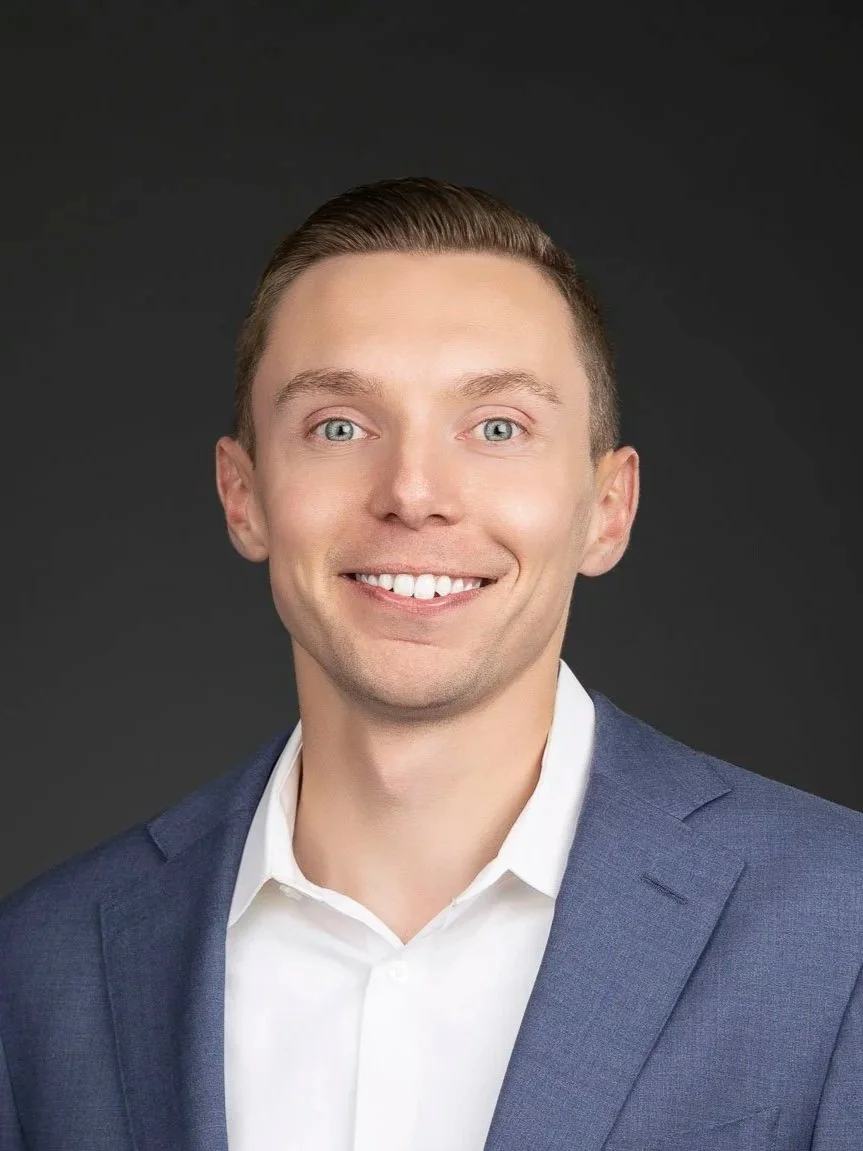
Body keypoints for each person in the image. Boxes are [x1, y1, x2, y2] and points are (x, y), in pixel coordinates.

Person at [1, 177, 861, 1151]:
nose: (412, 492)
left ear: (607, 508)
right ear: (242, 496)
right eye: (339, 426)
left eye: (496, 427)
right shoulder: (41, 968)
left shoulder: (840, 926)